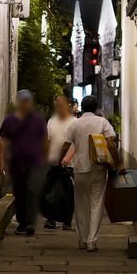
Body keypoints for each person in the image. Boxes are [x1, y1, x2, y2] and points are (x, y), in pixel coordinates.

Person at [61, 94, 122, 252]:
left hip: (80, 169)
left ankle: (82, 239)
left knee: (81, 204)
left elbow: (66, 145)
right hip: (98, 169)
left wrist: (59, 161)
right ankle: (92, 242)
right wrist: (118, 163)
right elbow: (111, 144)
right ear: (96, 108)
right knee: (96, 204)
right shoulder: (103, 122)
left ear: (81, 107)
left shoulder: (75, 124)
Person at [0, 89, 47, 236]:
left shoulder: (37, 120)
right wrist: (0, 161)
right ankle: (22, 222)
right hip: (16, 163)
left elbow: (44, 139)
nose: (26, 104)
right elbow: (4, 141)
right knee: (19, 193)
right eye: (23, 101)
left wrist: (45, 158)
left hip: (34, 162)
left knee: (32, 191)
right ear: (19, 102)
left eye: (28, 101)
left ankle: (31, 222)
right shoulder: (10, 120)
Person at [44, 95, 75, 230]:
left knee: (67, 194)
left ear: (68, 105)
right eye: (57, 104)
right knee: (51, 192)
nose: (59, 107)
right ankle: (51, 220)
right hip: (53, 163)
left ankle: (67, 221)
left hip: (70, 164)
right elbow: (48, 141)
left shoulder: (75, 122)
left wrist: (68, 158)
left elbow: (78, 143)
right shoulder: (51, 121)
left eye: (62, 104)